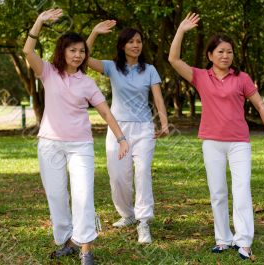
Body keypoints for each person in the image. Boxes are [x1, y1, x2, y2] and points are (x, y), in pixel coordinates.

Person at [23, 9, 129, 265]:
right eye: (73, 50)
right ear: (63, 52)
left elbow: (104, 111)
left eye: (82, 51)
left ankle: (86, 250)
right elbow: (27, 51)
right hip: (50, 145)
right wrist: (39, 21)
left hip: (80, 146)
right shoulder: (48, 72)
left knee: (83, 196)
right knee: (57, 195)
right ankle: (64, 242)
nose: (78, 54)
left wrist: (121, 138)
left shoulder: (87, 83)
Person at [168, 13, 264, 260]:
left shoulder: (242, 78)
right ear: (210, 55)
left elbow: (260, 105)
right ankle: (223, 239)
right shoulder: (200, 77)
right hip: (212, 143)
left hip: (239, 143)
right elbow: (173, 59)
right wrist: (182, 30)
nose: (225, 56)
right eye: (220, 51)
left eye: (229, 51)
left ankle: (244, 242)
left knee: (241, 191)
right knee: (217, 192)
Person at [86, 21, 169, 244]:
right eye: (131, 41)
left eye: (139, 41)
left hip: (143, 129)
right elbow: (82, 58)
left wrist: (164, 122)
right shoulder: (111, 67)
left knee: (142, 174)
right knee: (118, 177)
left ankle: (143, 222)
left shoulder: (149, 69)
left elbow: (158, 99)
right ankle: (128, 215)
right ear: (122, 45)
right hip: (117, 128)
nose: (136, 45)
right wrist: (94, 32)